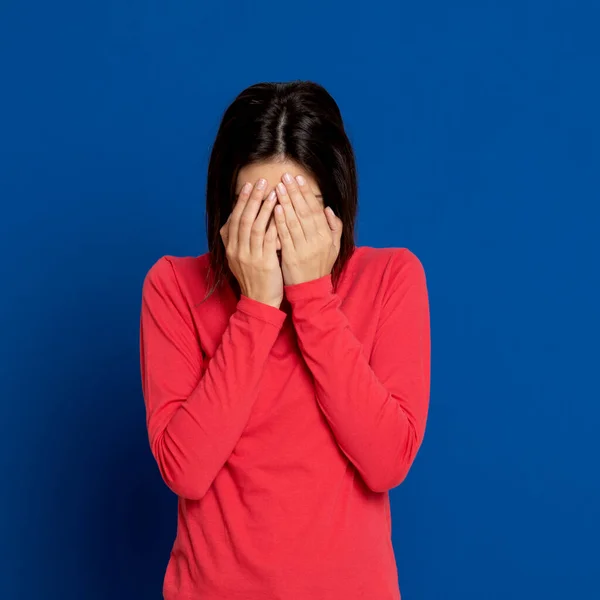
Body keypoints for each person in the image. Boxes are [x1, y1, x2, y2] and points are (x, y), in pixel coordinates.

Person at [139, 80, 431, 600]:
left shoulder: (391, 278)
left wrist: (314, 299)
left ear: (334, 203)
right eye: (256, 208)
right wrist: (255, 308)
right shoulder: (173, 286)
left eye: (294, 208)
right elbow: (185, 470)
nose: (275, 233)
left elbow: (386, 461)